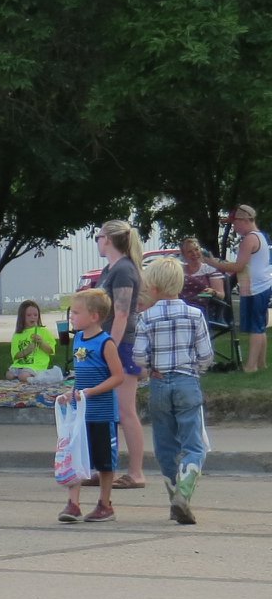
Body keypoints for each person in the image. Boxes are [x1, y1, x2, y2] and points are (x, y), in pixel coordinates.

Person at [133, 256, 213, 525]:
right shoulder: (195, 315)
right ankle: (184, 493)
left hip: (159, 383)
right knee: (194, 444)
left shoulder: (146, 317)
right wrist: (194, 368)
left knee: (166, 445)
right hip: (187, 381)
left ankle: (173, 499)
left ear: (153, 287)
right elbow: (206, 355)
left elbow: (139, 358)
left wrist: (152, 367)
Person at [58, 288, 128, 522]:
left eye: (76, 313)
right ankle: (73, 504)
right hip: (81, 413)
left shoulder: (105, 342)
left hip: (102, 412)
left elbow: (118, 376)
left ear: (94, 316)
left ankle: (105, 504)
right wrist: (72, 392)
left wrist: (90, 393)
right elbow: (80, 375)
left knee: (104, 461)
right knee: (76, 455)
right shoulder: (78, 339)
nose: (72, 317)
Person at [93, 220, 149, 487]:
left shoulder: (124, 270)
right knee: (107, 411)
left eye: (98, 236)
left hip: (122, 345)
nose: (97, 241)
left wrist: (110, 348)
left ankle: (136, 472)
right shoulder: (109, 269)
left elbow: (123, 313)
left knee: (125, 409)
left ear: (109, 240)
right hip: (108, 343)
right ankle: (105, 469)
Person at [209, 205, 269, 373]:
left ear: (243, 220)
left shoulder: (249, 239)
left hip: (254, 288)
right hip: (260, 286)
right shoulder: (260, 237)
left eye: (234, 223)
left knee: (256, 327)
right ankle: (261, 363)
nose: (233, 227)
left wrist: (213, 263)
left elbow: (238, 266)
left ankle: (250, 366)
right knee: (260, 326)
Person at [8, 301, 60, 383]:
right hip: (20, 364)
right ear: (22, 317)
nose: (33, 317)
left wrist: (41, 342)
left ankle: (37, 379)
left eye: (35, 315)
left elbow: (50, 351)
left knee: (23, 376)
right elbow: (16, 356)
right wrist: (27, 351)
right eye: (29, 315)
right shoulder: (17, 335)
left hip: (36, 365)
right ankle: (25, 378)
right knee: (9, 375)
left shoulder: (43, 331)